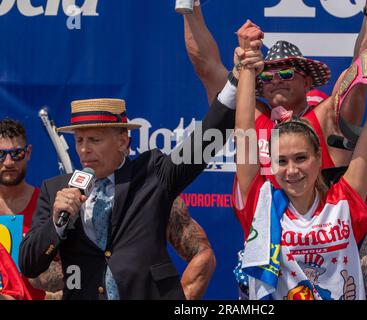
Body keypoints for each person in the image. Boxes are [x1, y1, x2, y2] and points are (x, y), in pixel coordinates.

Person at [19, 85, 238, 299]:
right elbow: (29, 264)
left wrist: (235, 84)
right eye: (79, 140)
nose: (84, 149)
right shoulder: (57, 189)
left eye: (95, 140)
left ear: (122, 141)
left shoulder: (152, 174)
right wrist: (57, 223)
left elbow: (201, 146)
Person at [233, 32, 367, 299]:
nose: (292, 170)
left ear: (319, 158)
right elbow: (244, 133)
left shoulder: (343, 201)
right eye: (281, 161)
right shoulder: (260, 207)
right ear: (270, 165)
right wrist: (247, 66)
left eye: (301, 158)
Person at [182, 0, 367, 170]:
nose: (276, 79)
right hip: (264, 233)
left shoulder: (329, 116)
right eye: (266, 77)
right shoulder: (249, 117)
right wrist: (190, 9)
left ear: (307, 81)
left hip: (324, 232)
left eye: (286, 72)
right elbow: (208, 68)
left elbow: (360, 67)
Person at [0, 118, 62, 300]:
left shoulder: (49, 205)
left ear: (28, 153)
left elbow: (65, 276)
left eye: (16, 153)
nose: (9, 162)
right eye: (1, 154)